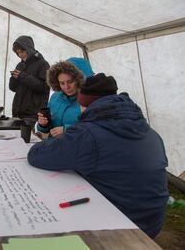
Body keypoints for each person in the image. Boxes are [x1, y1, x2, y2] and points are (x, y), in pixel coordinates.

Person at [27, 73, 168, 238]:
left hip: (121, 226)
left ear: (86, 104)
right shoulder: (151, 133)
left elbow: (37, 155)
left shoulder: (87, 135)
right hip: (153, 221)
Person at [35, 58, 94, 138]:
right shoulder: (55, 98)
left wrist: (67, 130)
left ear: (80, 79)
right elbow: (48, 128)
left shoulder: (90, 100)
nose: (66, 87)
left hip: (77, 147)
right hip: (54, 145)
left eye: (70, 82)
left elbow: (94, 129)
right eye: (62, 83)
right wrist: (43, 124)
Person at [9, 36, 50, 120]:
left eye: (22, 51)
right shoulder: (20, 65)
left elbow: (44, 88)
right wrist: (13, 78)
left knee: (29, 133)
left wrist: (23, 76)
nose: (20, 55)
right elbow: (13, 88)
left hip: (33, 114)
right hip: (18, 112)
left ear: (29, 49)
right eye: (18, 53)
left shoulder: (43, 64)